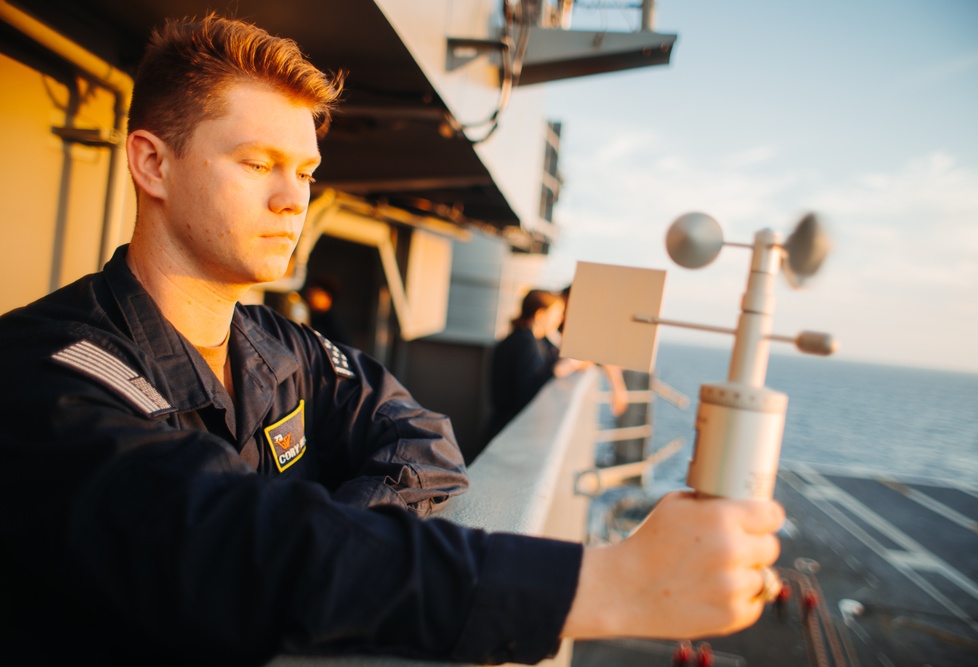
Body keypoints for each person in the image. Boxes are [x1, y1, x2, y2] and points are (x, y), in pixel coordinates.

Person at [0, 14, 784, 666]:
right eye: (257, 162)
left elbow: (420, 437)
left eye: (305, 172)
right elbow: (229, 539)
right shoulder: (42, 373)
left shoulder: (280, 347)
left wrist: (346, 532)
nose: (290, 198)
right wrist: (615, 583)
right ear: (151, 163)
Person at [488, 289, 588, 437]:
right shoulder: (526, 343)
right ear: (540, 315)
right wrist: (557, 371)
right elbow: (527, 392)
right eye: (557, 313)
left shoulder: (530, 340)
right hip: (511, 429)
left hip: (508, 424)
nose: (560, 318)